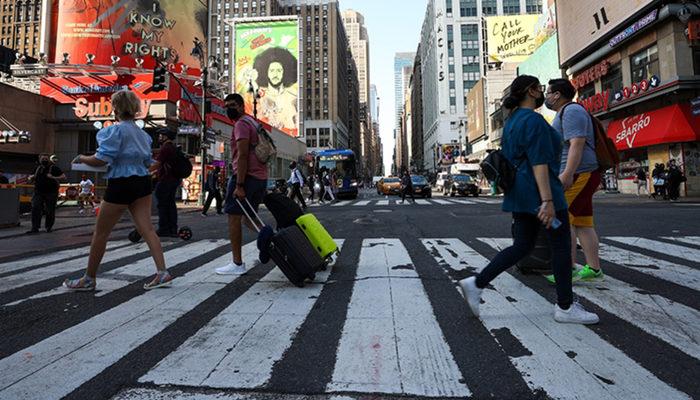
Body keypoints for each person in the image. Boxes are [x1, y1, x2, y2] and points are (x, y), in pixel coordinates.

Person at [458, 75, 599, 325]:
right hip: (540, 193)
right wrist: (547, 200)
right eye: (540, 89)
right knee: (561, 245)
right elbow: (539, 162)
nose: (543, 93)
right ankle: (565, 306)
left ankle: (477, 283)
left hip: (521, 194)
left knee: (522, 246)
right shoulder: (533, 120)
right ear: (532, 91)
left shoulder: (512, 121)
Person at [64, 89, 172, 291]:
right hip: (142, 182)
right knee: (147, 229)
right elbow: (150, 162)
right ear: (135, 108)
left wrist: (81, 158)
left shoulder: (113, 131)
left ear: (115, 109)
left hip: (120, 183)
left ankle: (89, 279)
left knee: (101, 233)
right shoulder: (143, 135)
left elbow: (101, 159)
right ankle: (162, 272)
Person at [545, 78, 603, 283]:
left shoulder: (571, 111)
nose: (547, 96)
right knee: (583, 223)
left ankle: (566, 270)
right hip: (580, 172)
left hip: (579, 173)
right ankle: (594, 270)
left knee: (562, 220)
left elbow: (577, 143)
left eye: (548, 92)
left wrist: (567, 173)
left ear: (557, 94)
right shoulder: (566, 112)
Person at [216, 93, 269, 275]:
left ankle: (237, 263)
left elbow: (243, 155)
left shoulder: (241, 124)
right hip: (260, 177)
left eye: (232, 105)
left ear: (240, 106)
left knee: (233, 216)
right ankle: (271, 237)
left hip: (246, 177)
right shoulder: (253, 122)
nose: (229, 109)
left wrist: (239, 184)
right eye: (226, 106)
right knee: (248, 218)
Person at [253, 47, 299, 134]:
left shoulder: (293, 98)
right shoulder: (259, 98)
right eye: (272, 70)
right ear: (266, 72)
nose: (275, 74)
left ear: (285, 73)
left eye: (279, 70)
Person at [151, 128, 180, 237]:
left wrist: (144, 172)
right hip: (173, 180)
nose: (159, 137)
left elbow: (157, 164)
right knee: (170, 204)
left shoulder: (166, 148)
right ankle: (172, 228)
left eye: (161, 135)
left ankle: (164, 228)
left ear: (166, 136)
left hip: (166, 180)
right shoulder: (173, 147)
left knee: (162, 204)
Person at [27, 153, 65, 234]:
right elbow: (31, 177)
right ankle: (35, 227)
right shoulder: (38, 168)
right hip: (38, 191)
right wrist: (30, 178)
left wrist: (53, 177)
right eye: (42, 159)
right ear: (39, 160)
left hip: (51, 192)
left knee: (50, 210)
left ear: (48, 160)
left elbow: (63, 177)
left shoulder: (53, 168)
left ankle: (48, 226)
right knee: (35, 207)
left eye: (46, 159)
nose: (44, 160)